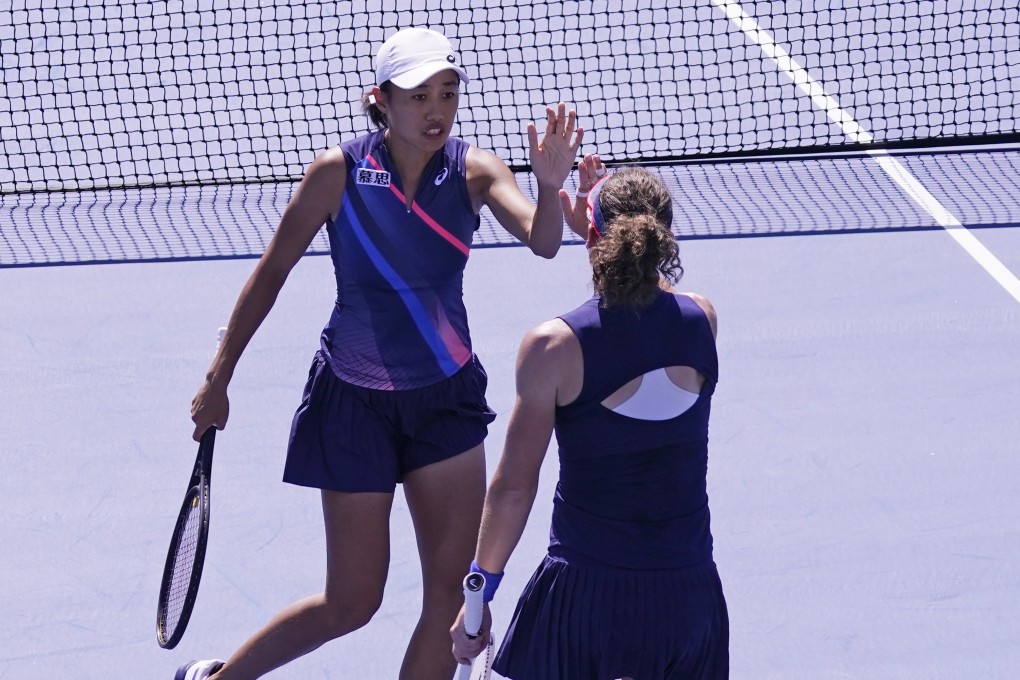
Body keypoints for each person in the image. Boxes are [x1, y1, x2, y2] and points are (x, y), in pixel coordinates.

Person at [175, 27, 583, 680]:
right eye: (418, 96)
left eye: (447, 93)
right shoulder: (336, 174)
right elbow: (272, 271)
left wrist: (548, 187)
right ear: (381, 101)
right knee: (353, 601)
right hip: (352, 402)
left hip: (443, 400)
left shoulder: (475, 172)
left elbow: (543, 241)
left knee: (451, 599)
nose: (436, 110)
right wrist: (217, 378)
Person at [451, 160, 729, 679]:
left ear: (595, 237)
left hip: (584, 598)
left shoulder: (553, 347)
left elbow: (514, 487)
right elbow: (647, 313)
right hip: (687, 597)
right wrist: (596, 228)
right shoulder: (702, 321)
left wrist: (481, 591)